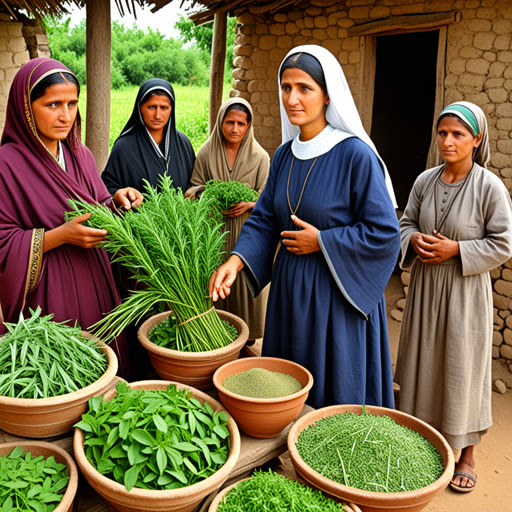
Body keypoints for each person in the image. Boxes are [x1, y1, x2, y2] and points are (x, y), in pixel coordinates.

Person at [209, 45, 401, 409]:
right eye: (285, 87)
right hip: (290, 290)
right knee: (289, 387)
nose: (292, 98)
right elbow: (265, 217)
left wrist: (324, 241)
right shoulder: (283, 155)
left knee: (334, 395)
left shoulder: (355, 156)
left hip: (337, 294)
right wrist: (236, 261)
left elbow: (385, 234)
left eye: (304, 88)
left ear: (328, 95)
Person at [395, 101, 512, 493]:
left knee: (462, 365)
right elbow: (406, 220)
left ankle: (466, 453)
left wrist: (458, 251)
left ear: (477, 139)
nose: (448, 141)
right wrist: (411, 238)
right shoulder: (425, 181)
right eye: (442, 133)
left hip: (464, 291)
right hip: (426, 288)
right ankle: (419, 439)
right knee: (422, 360)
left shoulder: (489, 187)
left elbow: (503, 244)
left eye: (458, 134)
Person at [0, 57, 142, 377]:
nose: (66, 115)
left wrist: (116, 200)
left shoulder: (81, 154)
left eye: (73, 103)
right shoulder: (7, 165)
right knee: (63, 373)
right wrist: (59, 236)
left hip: (95, 277)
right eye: (53, 104)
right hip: (49, 293)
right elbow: (3, 240)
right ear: (25, 107)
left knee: (106, 367)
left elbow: (98, 202)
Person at [185, 98, 270, 343]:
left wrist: (251, 203)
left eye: (241, 123)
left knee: (243, 283)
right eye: (229, 122)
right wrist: (210, 195)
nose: (234, 129)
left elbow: (269, 198)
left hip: (247, 234)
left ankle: (247, 335)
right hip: (214, 231)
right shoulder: (206, 153)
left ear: (249, 126)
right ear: (220, 122)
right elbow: (192, 189)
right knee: (214, 279)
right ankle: (216, 335)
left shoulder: (260, 157)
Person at [102, 78, 195, 195]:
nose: (157, 115)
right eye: (151, 107)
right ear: (140, 107)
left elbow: (194, 184)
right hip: (137, 213)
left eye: (164, 108)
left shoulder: (183, 144)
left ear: (172, 109)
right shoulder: (123, 147)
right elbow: (107, 188)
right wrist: (120, 194)